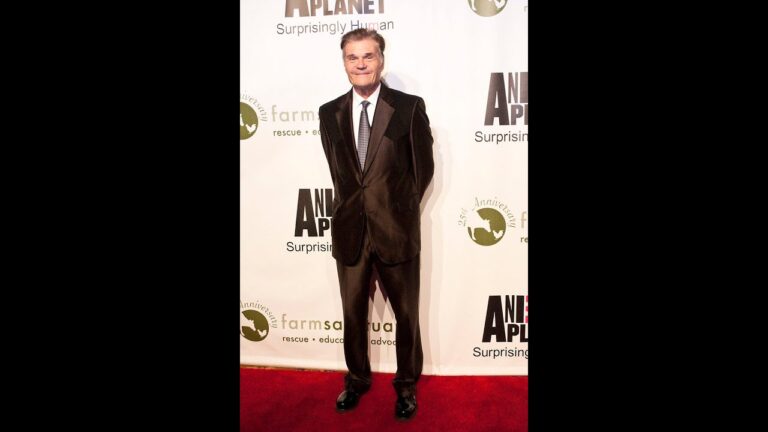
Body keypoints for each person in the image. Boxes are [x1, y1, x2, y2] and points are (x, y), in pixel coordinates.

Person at [318, 28, 434, 421]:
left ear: (381, 60)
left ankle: (406, 387)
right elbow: (339, 173)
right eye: (353, 57)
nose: (361, 64)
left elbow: (423, 169)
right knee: (352, 314)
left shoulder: (409, 107)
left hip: (396, 231)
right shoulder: (328, 112)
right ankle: (356, 380)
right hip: (350, 230)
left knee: (407, 315)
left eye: (368, 56)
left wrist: (396, 209)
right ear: (345, 62)